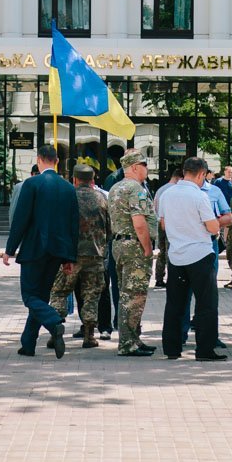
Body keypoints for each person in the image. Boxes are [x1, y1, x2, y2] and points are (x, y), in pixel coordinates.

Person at [3, 145, 79, 358]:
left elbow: (21, 219)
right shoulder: (68, 187)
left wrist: (10, 249)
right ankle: (28, 343)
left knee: (29, 297)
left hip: (34, 249)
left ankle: (54, 322)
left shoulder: (32, 184)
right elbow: (73, 225)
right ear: (56, 161)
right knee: (40, 298)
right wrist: (69, 257)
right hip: (58, 251)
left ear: (39, 160)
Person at [158, 157, 225, 361]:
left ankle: (172, 348)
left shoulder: (167, 194)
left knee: (175, 304)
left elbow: (163, 224)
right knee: (206, 304)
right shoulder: (199, 196)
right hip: (200, 254)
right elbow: (212, 227)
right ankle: (204, 349)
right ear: (201, 174)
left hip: (176, 255)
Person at [47, 164, 110, 348]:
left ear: (74, 179)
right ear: (92, 180)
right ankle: (89, 335)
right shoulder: (102, 198)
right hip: (95, 255)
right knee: (91, 295)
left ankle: (55, 331)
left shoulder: (65, 197)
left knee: (59, 292)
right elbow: (109, 228)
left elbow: (57, 227)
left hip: (69, 256)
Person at [108, 150, 158, 357]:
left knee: (125, 293)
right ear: (135, 167)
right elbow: (139, 223)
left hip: (119, 245)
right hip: (134, 246)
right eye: (144, 165)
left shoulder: (115, 188)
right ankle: (128, 343)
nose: (147, 169)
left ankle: (133, 338)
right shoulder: (136, 189)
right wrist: (147, 248)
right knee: (134, 296)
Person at [152, 166, 182, 286]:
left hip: (160, 223)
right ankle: (172, 278)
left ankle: (159, 278)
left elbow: (154, 207)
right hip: (172, 224)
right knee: (172, 251)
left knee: (162, 252)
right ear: (179, 178)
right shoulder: (176, 190)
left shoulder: (160, 190)